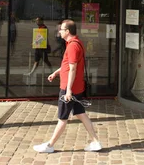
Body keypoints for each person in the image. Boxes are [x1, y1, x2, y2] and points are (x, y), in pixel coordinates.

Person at [33, 19, 102, 153]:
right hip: (76, 87)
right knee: (81, 114)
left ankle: (50, 146)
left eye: (61, 29)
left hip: (69, 89)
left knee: (62, 118)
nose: (59, 31)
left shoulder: (72, 46)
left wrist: (68, 90)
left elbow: (73, 68)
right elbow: (67, 66)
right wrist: (56, 72)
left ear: (67, 31)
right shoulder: (75, 43)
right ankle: (96, 142)